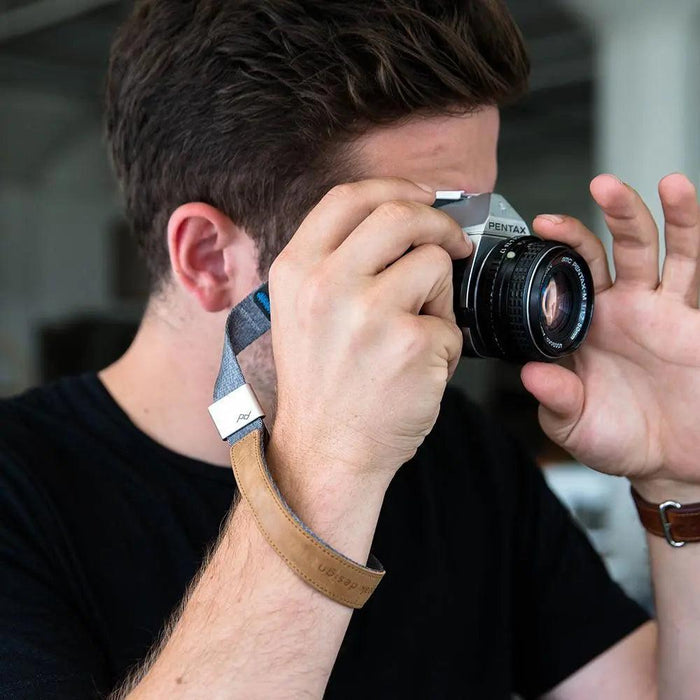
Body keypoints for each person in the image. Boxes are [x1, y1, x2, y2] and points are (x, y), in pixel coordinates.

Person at [2, 0, 699, 697]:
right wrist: (335, 469)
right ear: (211, 259)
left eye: (478, 216)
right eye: (418, 229)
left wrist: (678, 486)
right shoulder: (22, 497)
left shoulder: (461, 452)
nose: (464, 263)